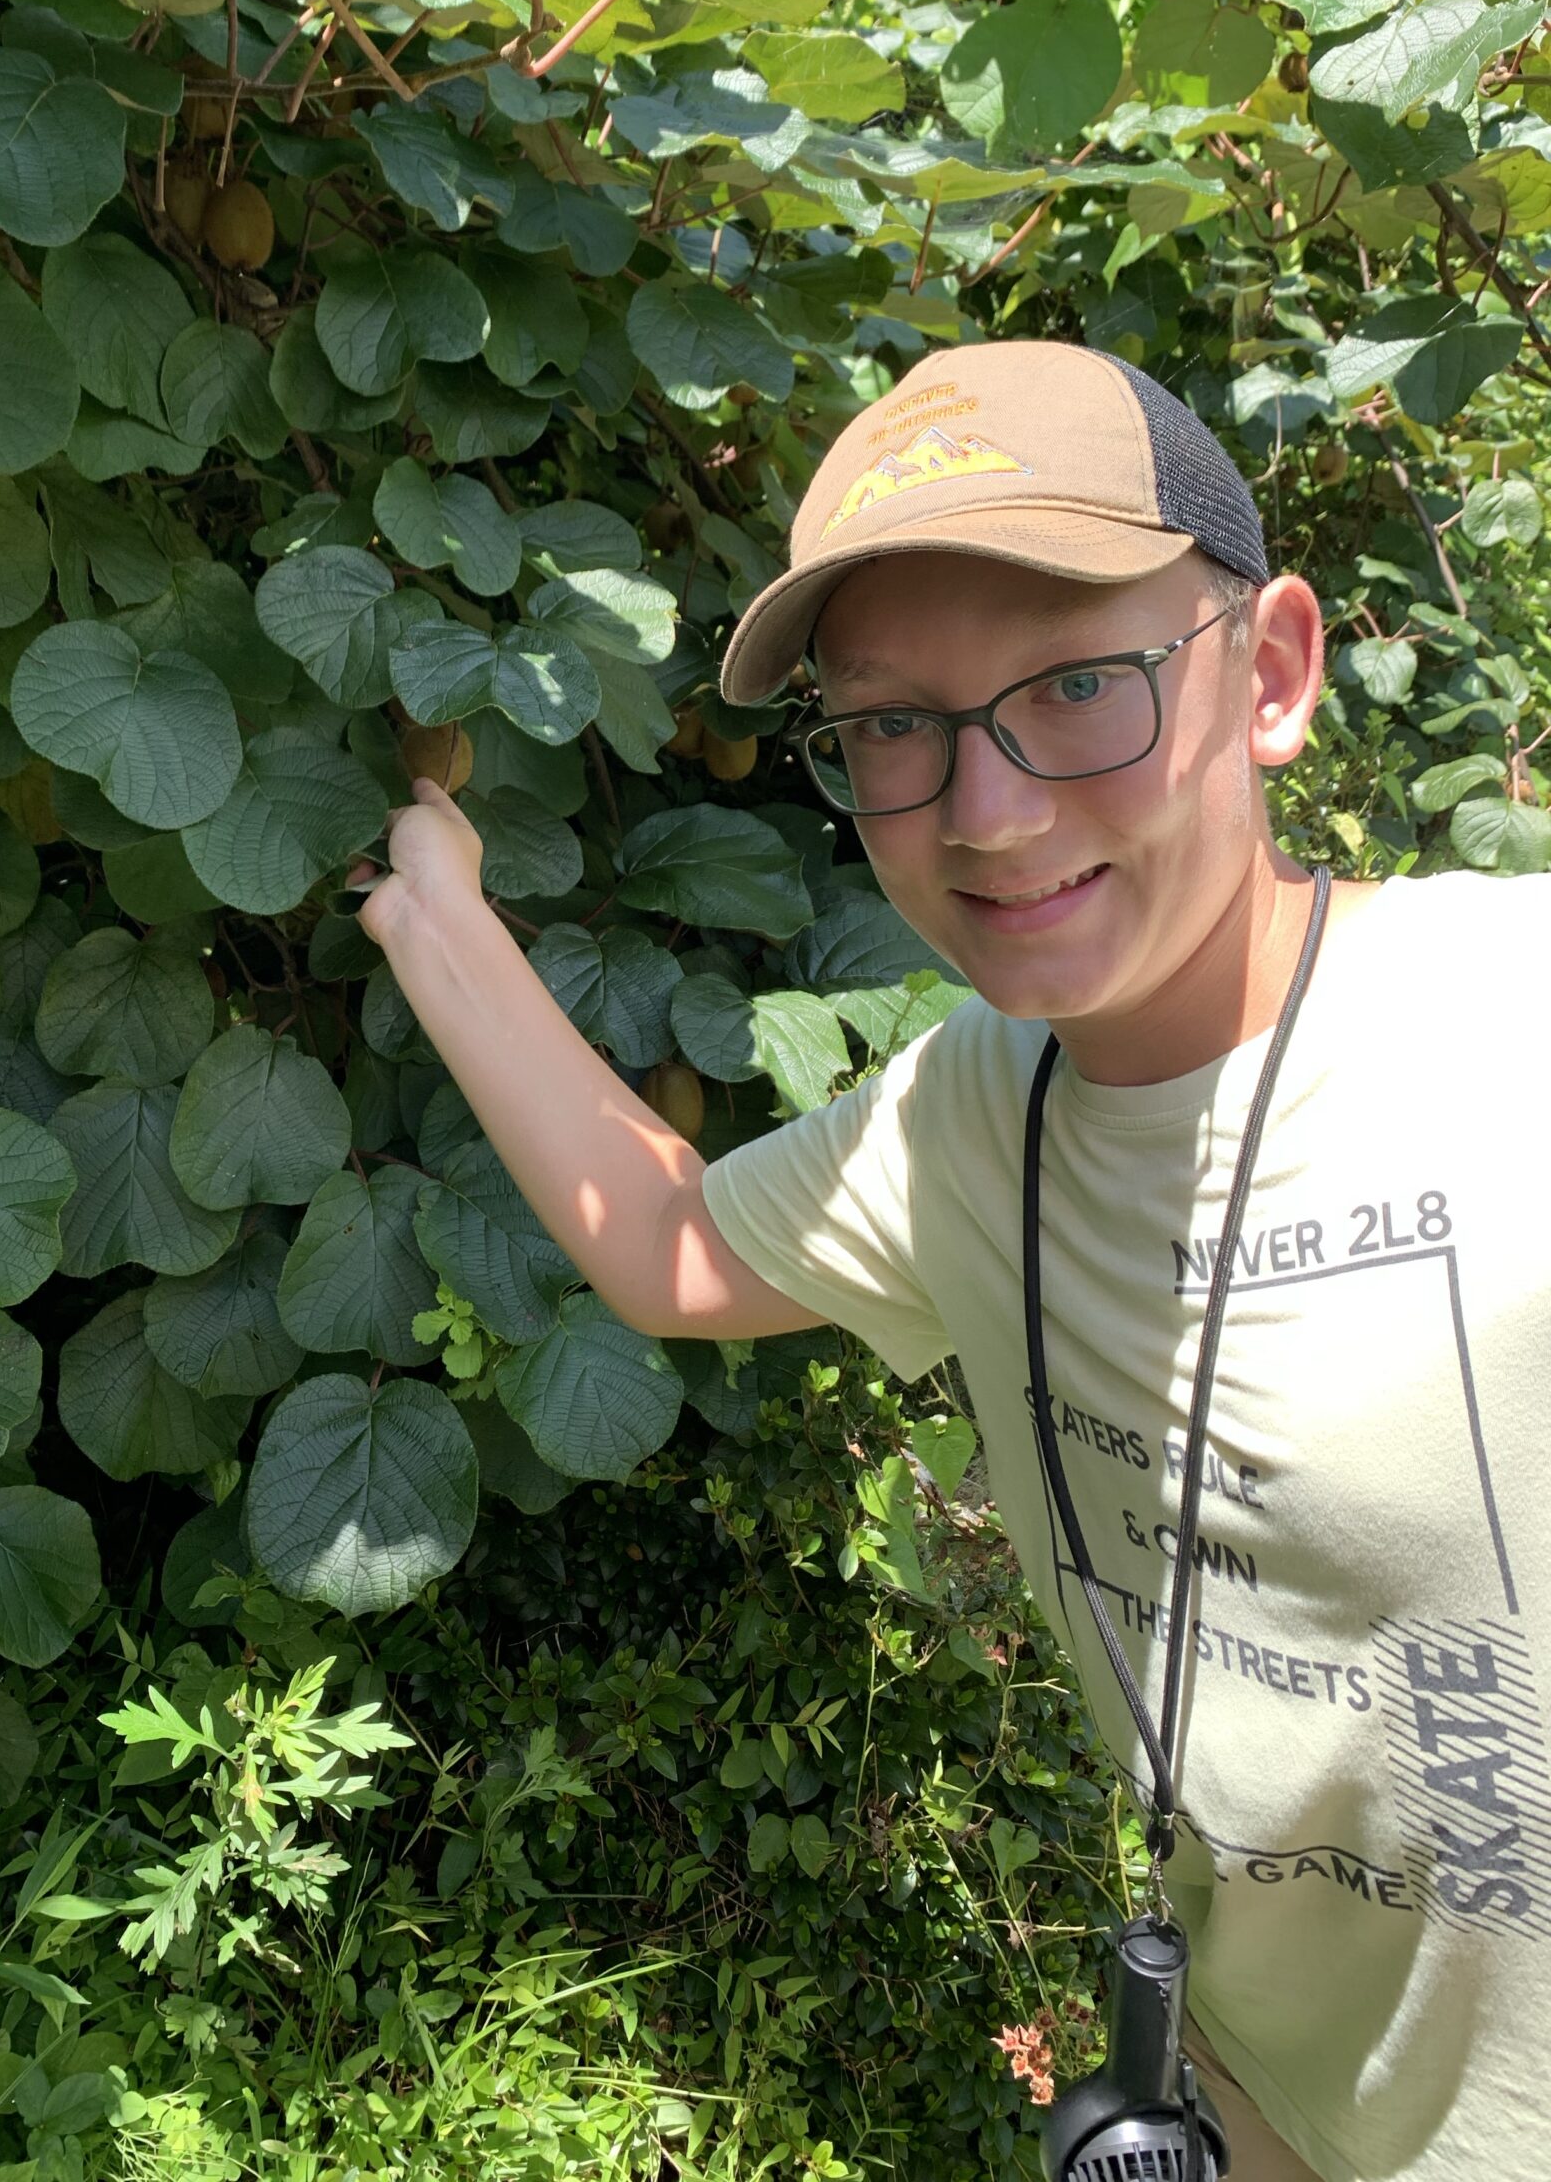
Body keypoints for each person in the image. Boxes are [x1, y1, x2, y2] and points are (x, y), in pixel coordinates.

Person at [350, 340, 1549, 2181]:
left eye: (1077, 685)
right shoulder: (969, 1116)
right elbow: (670, 1245)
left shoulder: (1509, 1015)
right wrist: (434, 915)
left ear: (1272, 676)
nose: (987, 813)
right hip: (1270, 2093)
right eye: (896, 727)